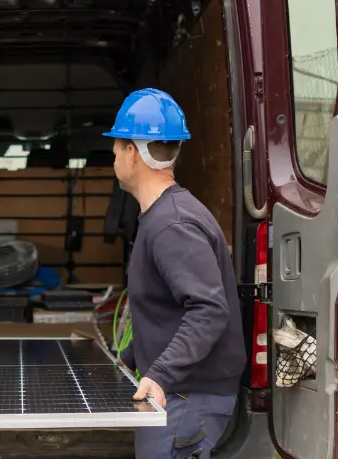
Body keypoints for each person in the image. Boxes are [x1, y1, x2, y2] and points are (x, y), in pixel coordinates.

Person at [105, 89, 247, 459]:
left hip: (187, 397)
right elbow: (167, 306)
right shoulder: (163, 216)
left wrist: (160, 375)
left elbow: (208, 310)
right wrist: (132, 356)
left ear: (132, 153)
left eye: (117, 147)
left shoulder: (172, 224)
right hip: (183, 391)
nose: (114, 155)